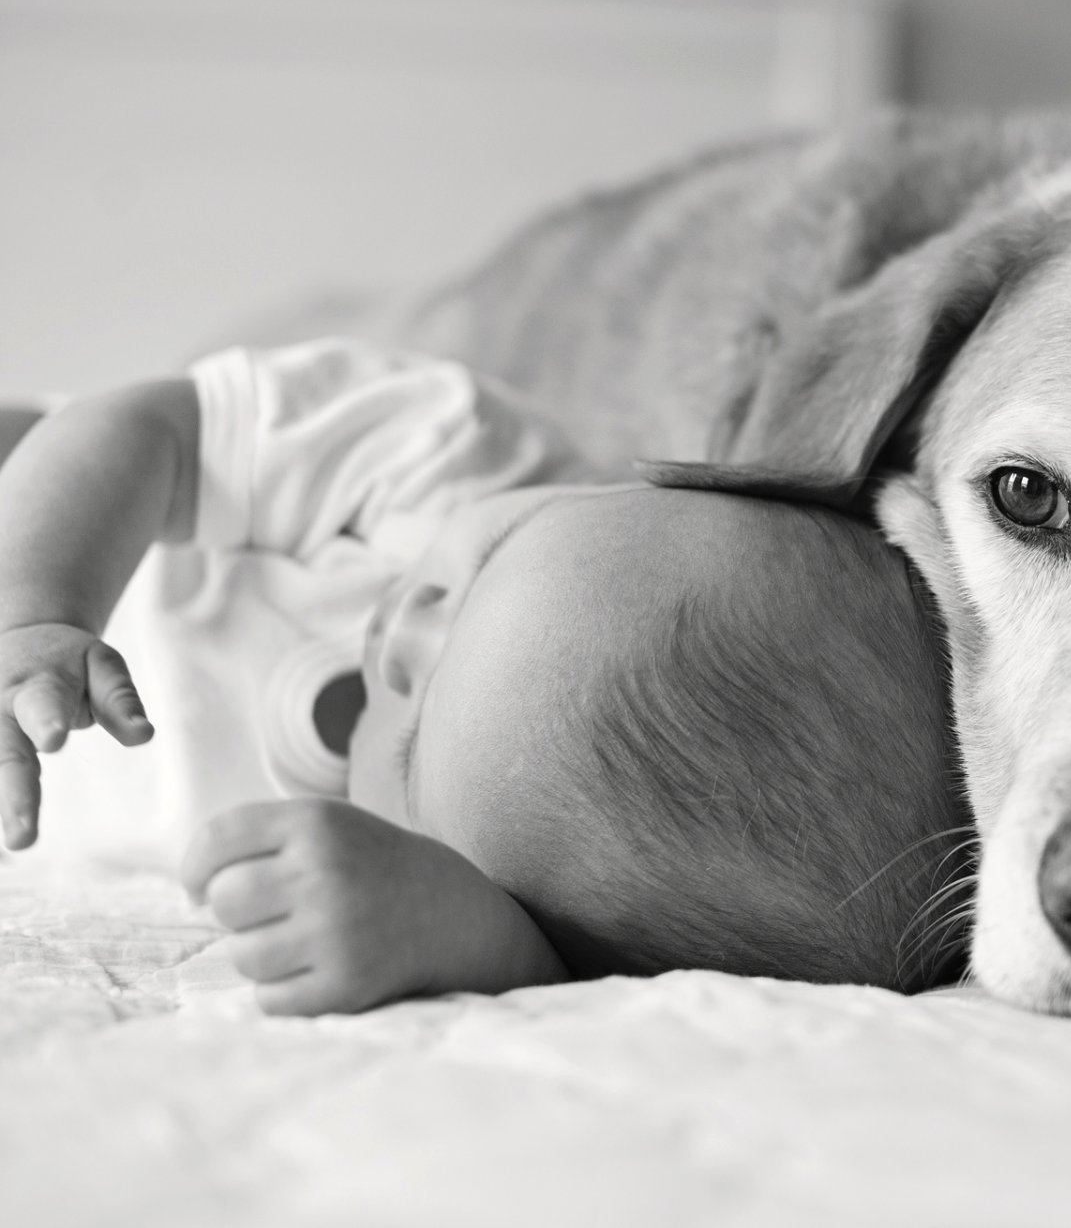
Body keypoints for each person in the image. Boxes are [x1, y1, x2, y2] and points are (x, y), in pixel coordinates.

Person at [0, 340, 968, 1014]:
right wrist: (38, 610)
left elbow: (564, 978)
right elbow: (147, 430)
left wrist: (473, 932)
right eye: (494, 553)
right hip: (51, 523)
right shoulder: (453, 454)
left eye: (412, 744)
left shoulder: (504, 894)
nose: (404, 631)